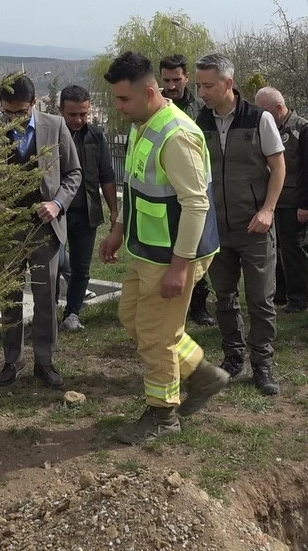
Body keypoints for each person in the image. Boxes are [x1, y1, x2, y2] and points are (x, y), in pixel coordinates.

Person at [98, 51, 227, 444]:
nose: (119, 107)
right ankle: (203, 375)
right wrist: (119, 229)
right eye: (116, 99)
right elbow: (136, 185)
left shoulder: (177, 135)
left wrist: (179, 267)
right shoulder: (144, 125)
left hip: (173, 255)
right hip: (148, 251)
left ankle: (162, 415)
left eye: (124, 99)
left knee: (156, 335)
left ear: (150, 93)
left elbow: (196, 205)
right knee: (133, 319)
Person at [195, 54, 286, 396]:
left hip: (254, 227)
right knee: (224, 296)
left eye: (208, 85)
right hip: (217, 228)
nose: (202, 92)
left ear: (228, 83)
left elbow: (278, 168)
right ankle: (234, 357)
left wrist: (268, 210)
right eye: (199, 85)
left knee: (260, 299)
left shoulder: (259, 119)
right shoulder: (199, 122)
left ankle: (263, 363)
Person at [0, 74, 82, 389]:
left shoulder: (55, 127)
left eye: (20, 112)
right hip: (8, 229)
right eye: (7, 112)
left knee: (45, 296)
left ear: (34, 103)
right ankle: (12, 359)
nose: (14, 119)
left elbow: (74, 172)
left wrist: (57, 204)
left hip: (46, 228)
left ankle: (44, 361)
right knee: (9, 297)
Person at [254, 86, 308, 315]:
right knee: (276, 251)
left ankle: (299, 298)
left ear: (278, 108)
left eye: (264, 110)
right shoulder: (268, 129)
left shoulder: (302, 129)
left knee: (295, 252)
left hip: (295, 204)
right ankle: (281, 294)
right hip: (275, 203)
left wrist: (306, 204)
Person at [160, 53, 216, 327]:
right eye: (166, 80)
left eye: (176, 79)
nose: (171, 86)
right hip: (164, 189)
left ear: (186, 78)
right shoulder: (155, 107)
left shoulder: (201, 109)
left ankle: (199, 305)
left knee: (197, 245)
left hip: (193, 185)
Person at [57, 84, 118, 331]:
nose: (78, 120)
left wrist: (114, 211)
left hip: (86, 212)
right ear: (61, 110)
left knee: (81, 267)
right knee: (54, 264)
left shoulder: (96, 136)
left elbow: (107, 175)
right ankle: (48, 311)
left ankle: (72, 313)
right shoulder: (50, 135)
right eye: (72, 114)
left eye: (83, 114)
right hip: (56, 213)